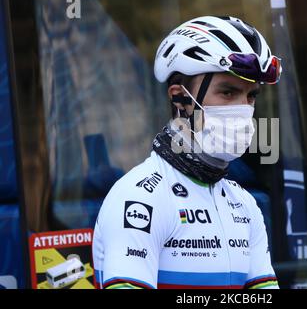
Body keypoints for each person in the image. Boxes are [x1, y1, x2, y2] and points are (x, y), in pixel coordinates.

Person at [92, 15, 282, 289]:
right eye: (228, 93)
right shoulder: (138, 197)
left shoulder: (244, 204)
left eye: (251, 96)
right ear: (180, 98)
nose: (244, 109)